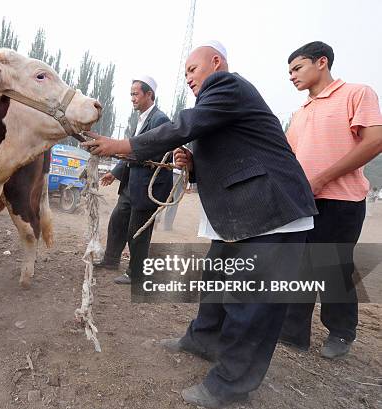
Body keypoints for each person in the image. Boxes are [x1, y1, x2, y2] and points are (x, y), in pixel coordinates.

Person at [83, 41, 317, 408]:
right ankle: (203, 339)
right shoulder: (218, 107)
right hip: (241, 216)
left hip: (272, 213)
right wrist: (192, 162)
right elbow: (229, 151)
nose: (188, 78)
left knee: (252, 305)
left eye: (192, 70)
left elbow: (183, 125)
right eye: (186, 73)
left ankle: (231, 385)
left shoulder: (228, 85)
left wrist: (121, 146)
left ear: (216, 62)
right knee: (215, 283)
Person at [279, 41, 382, 359]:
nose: (292, 76)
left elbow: (375, 140)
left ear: (321, 62)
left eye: (297, 68)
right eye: (289, 72)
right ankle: (293, 333)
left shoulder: (357, 93)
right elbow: (288, 157)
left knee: (332, 267)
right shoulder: (299, 113)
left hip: (342, 201)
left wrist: (322, 179)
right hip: (303, 201)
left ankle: (341, 331)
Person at [95, 75, 173, 285]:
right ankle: (111, 260)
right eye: (130, 94)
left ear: (149, 94)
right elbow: (132, 150)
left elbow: (153, 153)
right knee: (117, 221)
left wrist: (116, 149)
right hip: (132, 184)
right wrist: (116, 172)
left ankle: (136, 273)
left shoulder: (160, 120)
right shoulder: (140, 120)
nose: (132, 98)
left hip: (149, 187)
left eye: (135, 94)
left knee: (138, 231)